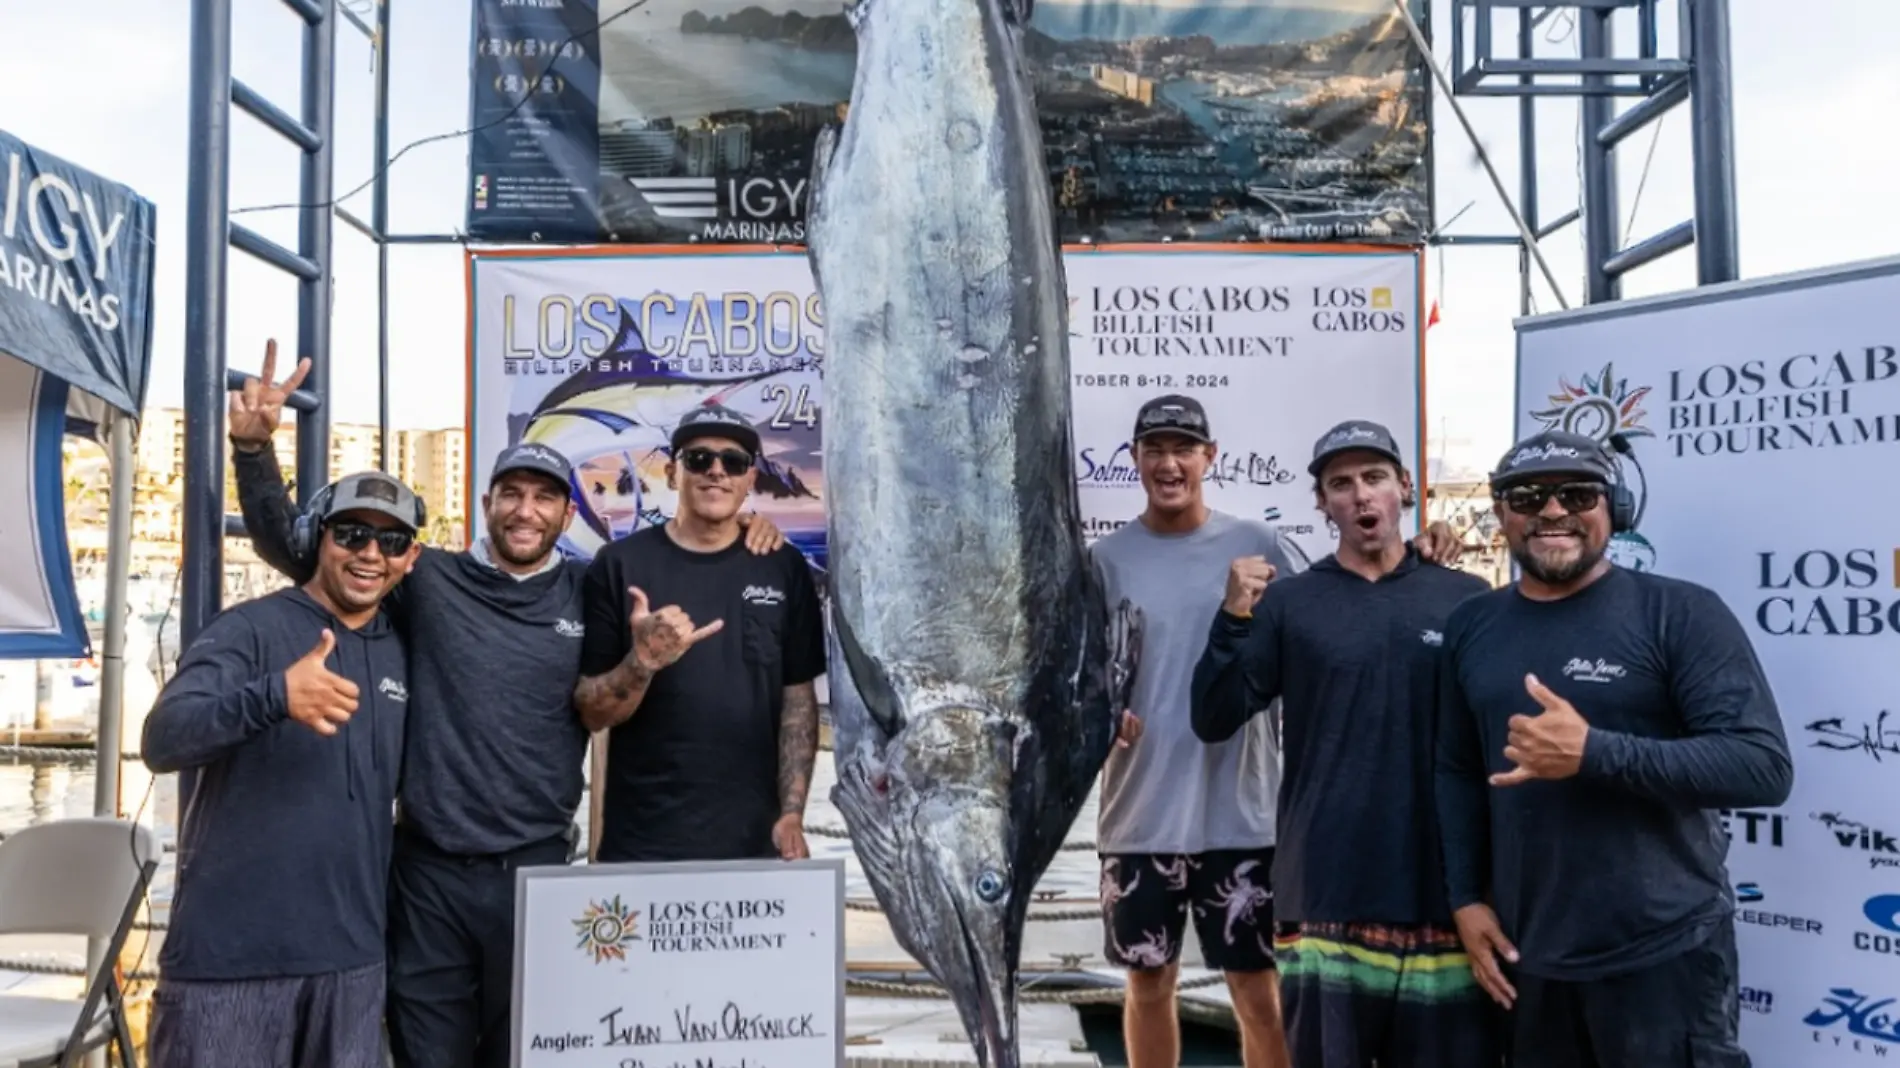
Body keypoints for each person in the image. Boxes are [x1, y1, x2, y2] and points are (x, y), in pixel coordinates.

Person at [225, 343, 785, 1068]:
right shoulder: (430, 580)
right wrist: (251, 449)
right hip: (427, 872)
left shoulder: (592, 589)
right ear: (486, 502)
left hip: (537, 872)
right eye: (511, 494)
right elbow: (304, 552)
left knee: (526, 1056)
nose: (526, 511)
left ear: (564, 510)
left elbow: (688, 556)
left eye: (543, 497)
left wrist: (751, 532)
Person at [1089, 398, 1463, 1068]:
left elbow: (1339, 603)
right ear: (1136, 460)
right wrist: (1096, 712)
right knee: (1147, 984)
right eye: (1154, 449)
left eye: (1184, 448)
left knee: (1260, 993)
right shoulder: (1103, 559)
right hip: (1138, 811)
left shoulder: (1259, 546)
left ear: (1212, 456)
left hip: (1247, 812)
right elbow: (1079, 674)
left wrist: (1429, 551)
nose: (1169, 464)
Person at [1433, 429, 1793, 1068]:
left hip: (1664, 956)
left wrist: (1595, 752)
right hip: (1528, 959)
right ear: (1502, 514)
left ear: (1614, 510)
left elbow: (1760, 767)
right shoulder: (1472, 623)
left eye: (1576, 493)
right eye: (1527, 497)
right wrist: (1464, 898)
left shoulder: (1681, 613)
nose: (1551, 511)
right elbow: (1457, 770)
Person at [1188, 419, 1498, 1068]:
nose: (1360, 496)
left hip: (1444, 894)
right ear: (1322, 503)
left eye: (1375, 478)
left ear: (1404, 488)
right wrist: (1232, 617)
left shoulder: (1467, 600)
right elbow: (1214, 716)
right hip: (1325, 890)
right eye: (1341, 483)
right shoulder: (1289, 603)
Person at [142, 470, 423, 1068]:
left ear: (410, 557)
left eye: (391, 541)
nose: (370, 553)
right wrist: (274, 697)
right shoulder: (249, 628)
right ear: (319, 538)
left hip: (352, 967)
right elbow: (162, 739)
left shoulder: (405, 648)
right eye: (351, 534)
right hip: (228, 966)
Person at [574, 402, 826, 863]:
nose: (716, 471)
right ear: (673, 473)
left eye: (733, 462)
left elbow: (797, 699)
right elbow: (592, 712)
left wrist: (792, 813)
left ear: (750, 479)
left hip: (757, 846)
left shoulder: (784, 567)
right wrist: (643, 662)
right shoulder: (620, 566)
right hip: (643, 846)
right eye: (698, 459)